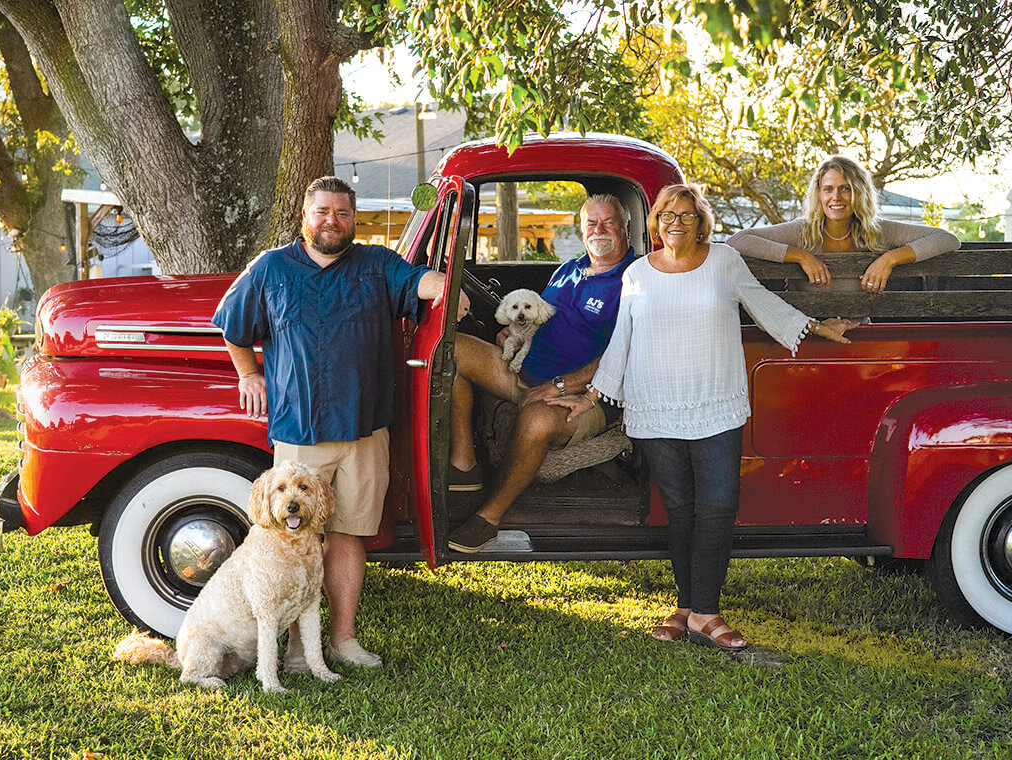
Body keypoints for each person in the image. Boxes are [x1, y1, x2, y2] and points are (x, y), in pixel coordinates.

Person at [551, 184, 858, 651]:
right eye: (667, 214)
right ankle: (688, 608)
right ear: (655, 223)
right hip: (655, 407)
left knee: (717, 505)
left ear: (701, 222)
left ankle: (706, 612)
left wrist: (817, 326)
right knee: (681, 510)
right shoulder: (637, 275)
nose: (676, 222)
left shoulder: (724, 263)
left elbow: (764, 304)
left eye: (686, 215)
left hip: (716, 403)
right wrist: (591, 398)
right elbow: (621, 343)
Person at [212, 176, 468, 668]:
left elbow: (419, 284)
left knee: (349, 533)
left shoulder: (377, 264)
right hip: (299, 430)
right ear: (305, 216)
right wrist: (249, 374)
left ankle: (342, 640)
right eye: (323, 212)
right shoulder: (270, 268)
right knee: (289, 539)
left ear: (354, 219)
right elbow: (233, 325)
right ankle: (292, 651)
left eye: (343, 213)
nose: (333, 221)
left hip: (365, 429)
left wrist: (446, 288)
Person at [446, 194, 637, 554]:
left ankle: (487, 519)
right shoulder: (568, 270)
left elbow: (620, 355)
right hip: (526, 374)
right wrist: (514, 335)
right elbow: (539, 321)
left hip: (587, 393)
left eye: (609, 222)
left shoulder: (634, 279)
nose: (600, 230)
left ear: (626, 227)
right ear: (582, 230)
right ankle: (465, 466)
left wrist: (559, 385)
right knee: (450, 349)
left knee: (536, 420)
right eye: (591, 223)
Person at [727, 156, 959, 293]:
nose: (836, 197)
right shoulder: (802, 231)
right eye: (828, 189)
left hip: (861, 338)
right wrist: (800, 256)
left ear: (858, 193)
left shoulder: (877, 231)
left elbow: (948, 239)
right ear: (819, 194)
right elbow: (737, 241)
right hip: (810, 337)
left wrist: (890, 259)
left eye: (845, 188)